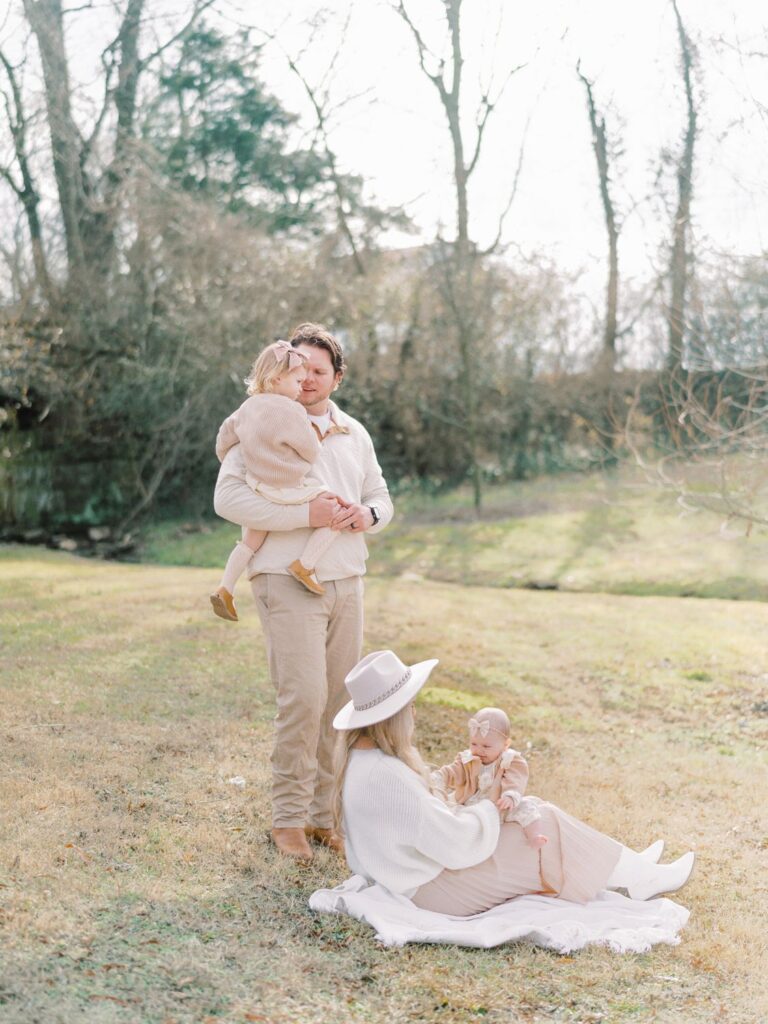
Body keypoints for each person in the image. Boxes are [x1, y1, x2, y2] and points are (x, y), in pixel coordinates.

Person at [213, 323, 393, 863]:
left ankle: (323, 817)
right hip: (282, 579)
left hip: (345, 579)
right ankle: (288, 819)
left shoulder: (353, 432)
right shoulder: (263, 420)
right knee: (303, 698)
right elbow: (229, 501)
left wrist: (370, 515)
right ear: (282, 371)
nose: (309, 379)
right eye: (301, 369)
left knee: (339, 703)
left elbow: (380, 494)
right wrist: (303, 514)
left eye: (320, 370)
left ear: (336, 377)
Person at [332, 650, 695, 915]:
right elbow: (455, 843)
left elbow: (421, 822)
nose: (414, 712)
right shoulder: (389, 776)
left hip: (411, 879)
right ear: (393, 715)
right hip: (434, 890)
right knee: (545, 820)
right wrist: (489, 803)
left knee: (531, 809)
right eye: (410, 704)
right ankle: (636, 875)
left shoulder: (362, 760)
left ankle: (626, 866)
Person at [210, 339, 343, 622]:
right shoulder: (292, 410)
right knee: (336, 511)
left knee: (252, 538)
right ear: (276, 379)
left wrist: (230, 455)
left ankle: (225, 588)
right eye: (297, 379)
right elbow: (311, 450)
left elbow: (223, 438)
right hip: (286, 487)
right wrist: (309, 455)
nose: (301, 385)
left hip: (258, 486)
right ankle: (305, 565)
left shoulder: (247, 408)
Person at [431, 706, 547, 850]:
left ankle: (535, 836)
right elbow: (453, 771)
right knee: (453, 814)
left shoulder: (509, 760)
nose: (479, 750)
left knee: (526, 807)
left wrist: (510, 796)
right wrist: (439, 777)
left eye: (486, 746)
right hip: (472, 802)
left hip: (499, 804)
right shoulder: (467, 759)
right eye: (474, 744)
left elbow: (516, 778)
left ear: (505, 745)